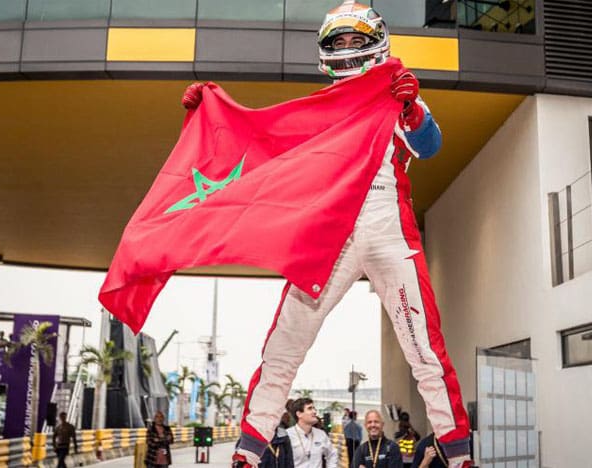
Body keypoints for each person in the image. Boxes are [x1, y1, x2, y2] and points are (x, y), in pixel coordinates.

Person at [181, 2, 470, 467]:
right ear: (325, 51)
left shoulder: (398, 91)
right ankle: (248, 451)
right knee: (285, 343)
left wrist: (412, 107)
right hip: (329, 230)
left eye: (357, 41)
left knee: (425, 346)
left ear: (376, 41)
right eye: (339, 42)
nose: (349, 49)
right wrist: (212, 122)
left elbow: (430, 145)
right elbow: (262, 148)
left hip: (388, 226)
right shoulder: (317, 109)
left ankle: (458, 454)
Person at [286, 398, 338, 468]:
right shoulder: (287, 436)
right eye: (310, 408)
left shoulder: (321, 434)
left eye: (314, 408)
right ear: (299, 414)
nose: (314, 411)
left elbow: (332, 454)